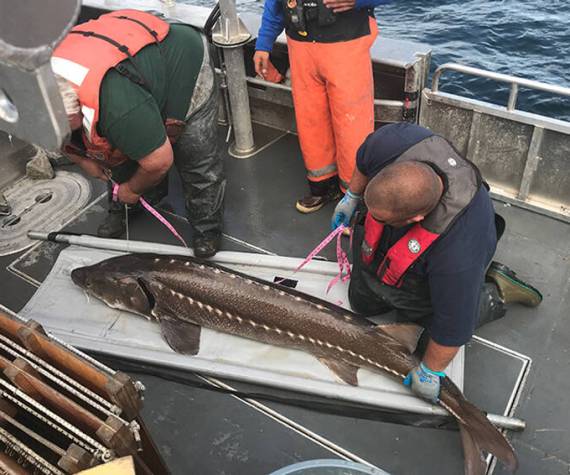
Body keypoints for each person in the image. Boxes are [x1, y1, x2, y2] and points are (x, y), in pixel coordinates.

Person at [331, 122, 542, 403]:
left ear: (414, 220)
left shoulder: (459, 248)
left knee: (425, 343)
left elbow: (453, 325)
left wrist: (431, 371)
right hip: (408, 244)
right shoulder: (394, 142)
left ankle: (493, 291)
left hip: (450, 265)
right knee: (361, 304)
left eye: (379, 217)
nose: (370, 215)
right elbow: (365, 157)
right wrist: (353, 196)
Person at [51, 9, 225, 258]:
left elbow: (159, 161)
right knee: (115, 149)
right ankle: (135, 203)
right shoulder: (33, 93)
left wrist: (131, 190)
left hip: (183, 61)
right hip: (131, 72)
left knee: (196, 156)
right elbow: (53, 135)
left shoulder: (118, 107)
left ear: (75, 111)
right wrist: (84, 160)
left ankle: (207, 228)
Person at [253, 0, 389, 213]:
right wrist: (263, 44)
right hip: (301, 50)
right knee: (310, 121)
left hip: (347, 46)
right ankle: (322, 186)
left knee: (353, 126)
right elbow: (275, 5)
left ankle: (354, 199)